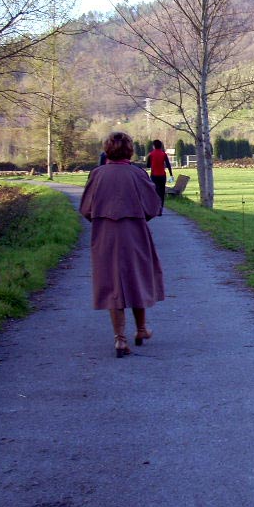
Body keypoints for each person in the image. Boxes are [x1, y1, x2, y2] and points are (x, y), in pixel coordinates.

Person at [79, 131, 165, 358]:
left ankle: (119, 339)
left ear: (107, 149)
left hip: (105, 236)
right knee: (136, 278)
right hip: (134, 233)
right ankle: (141, 329)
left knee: (112, 284)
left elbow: (86, 209)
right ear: (129, 150)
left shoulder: (97, 174)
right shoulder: (137, 174)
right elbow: (153, 207)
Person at [146, 139, 174, 214]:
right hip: (162, 175)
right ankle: (160, 208)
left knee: (155, 192)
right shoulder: (163, 154)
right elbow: (168, 165)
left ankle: (155, 208)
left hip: (154, 175)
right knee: (162, 192)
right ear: (161, 146)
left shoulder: (151, 154)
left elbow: (148, 165)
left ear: (154, 146)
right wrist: (171, 174)